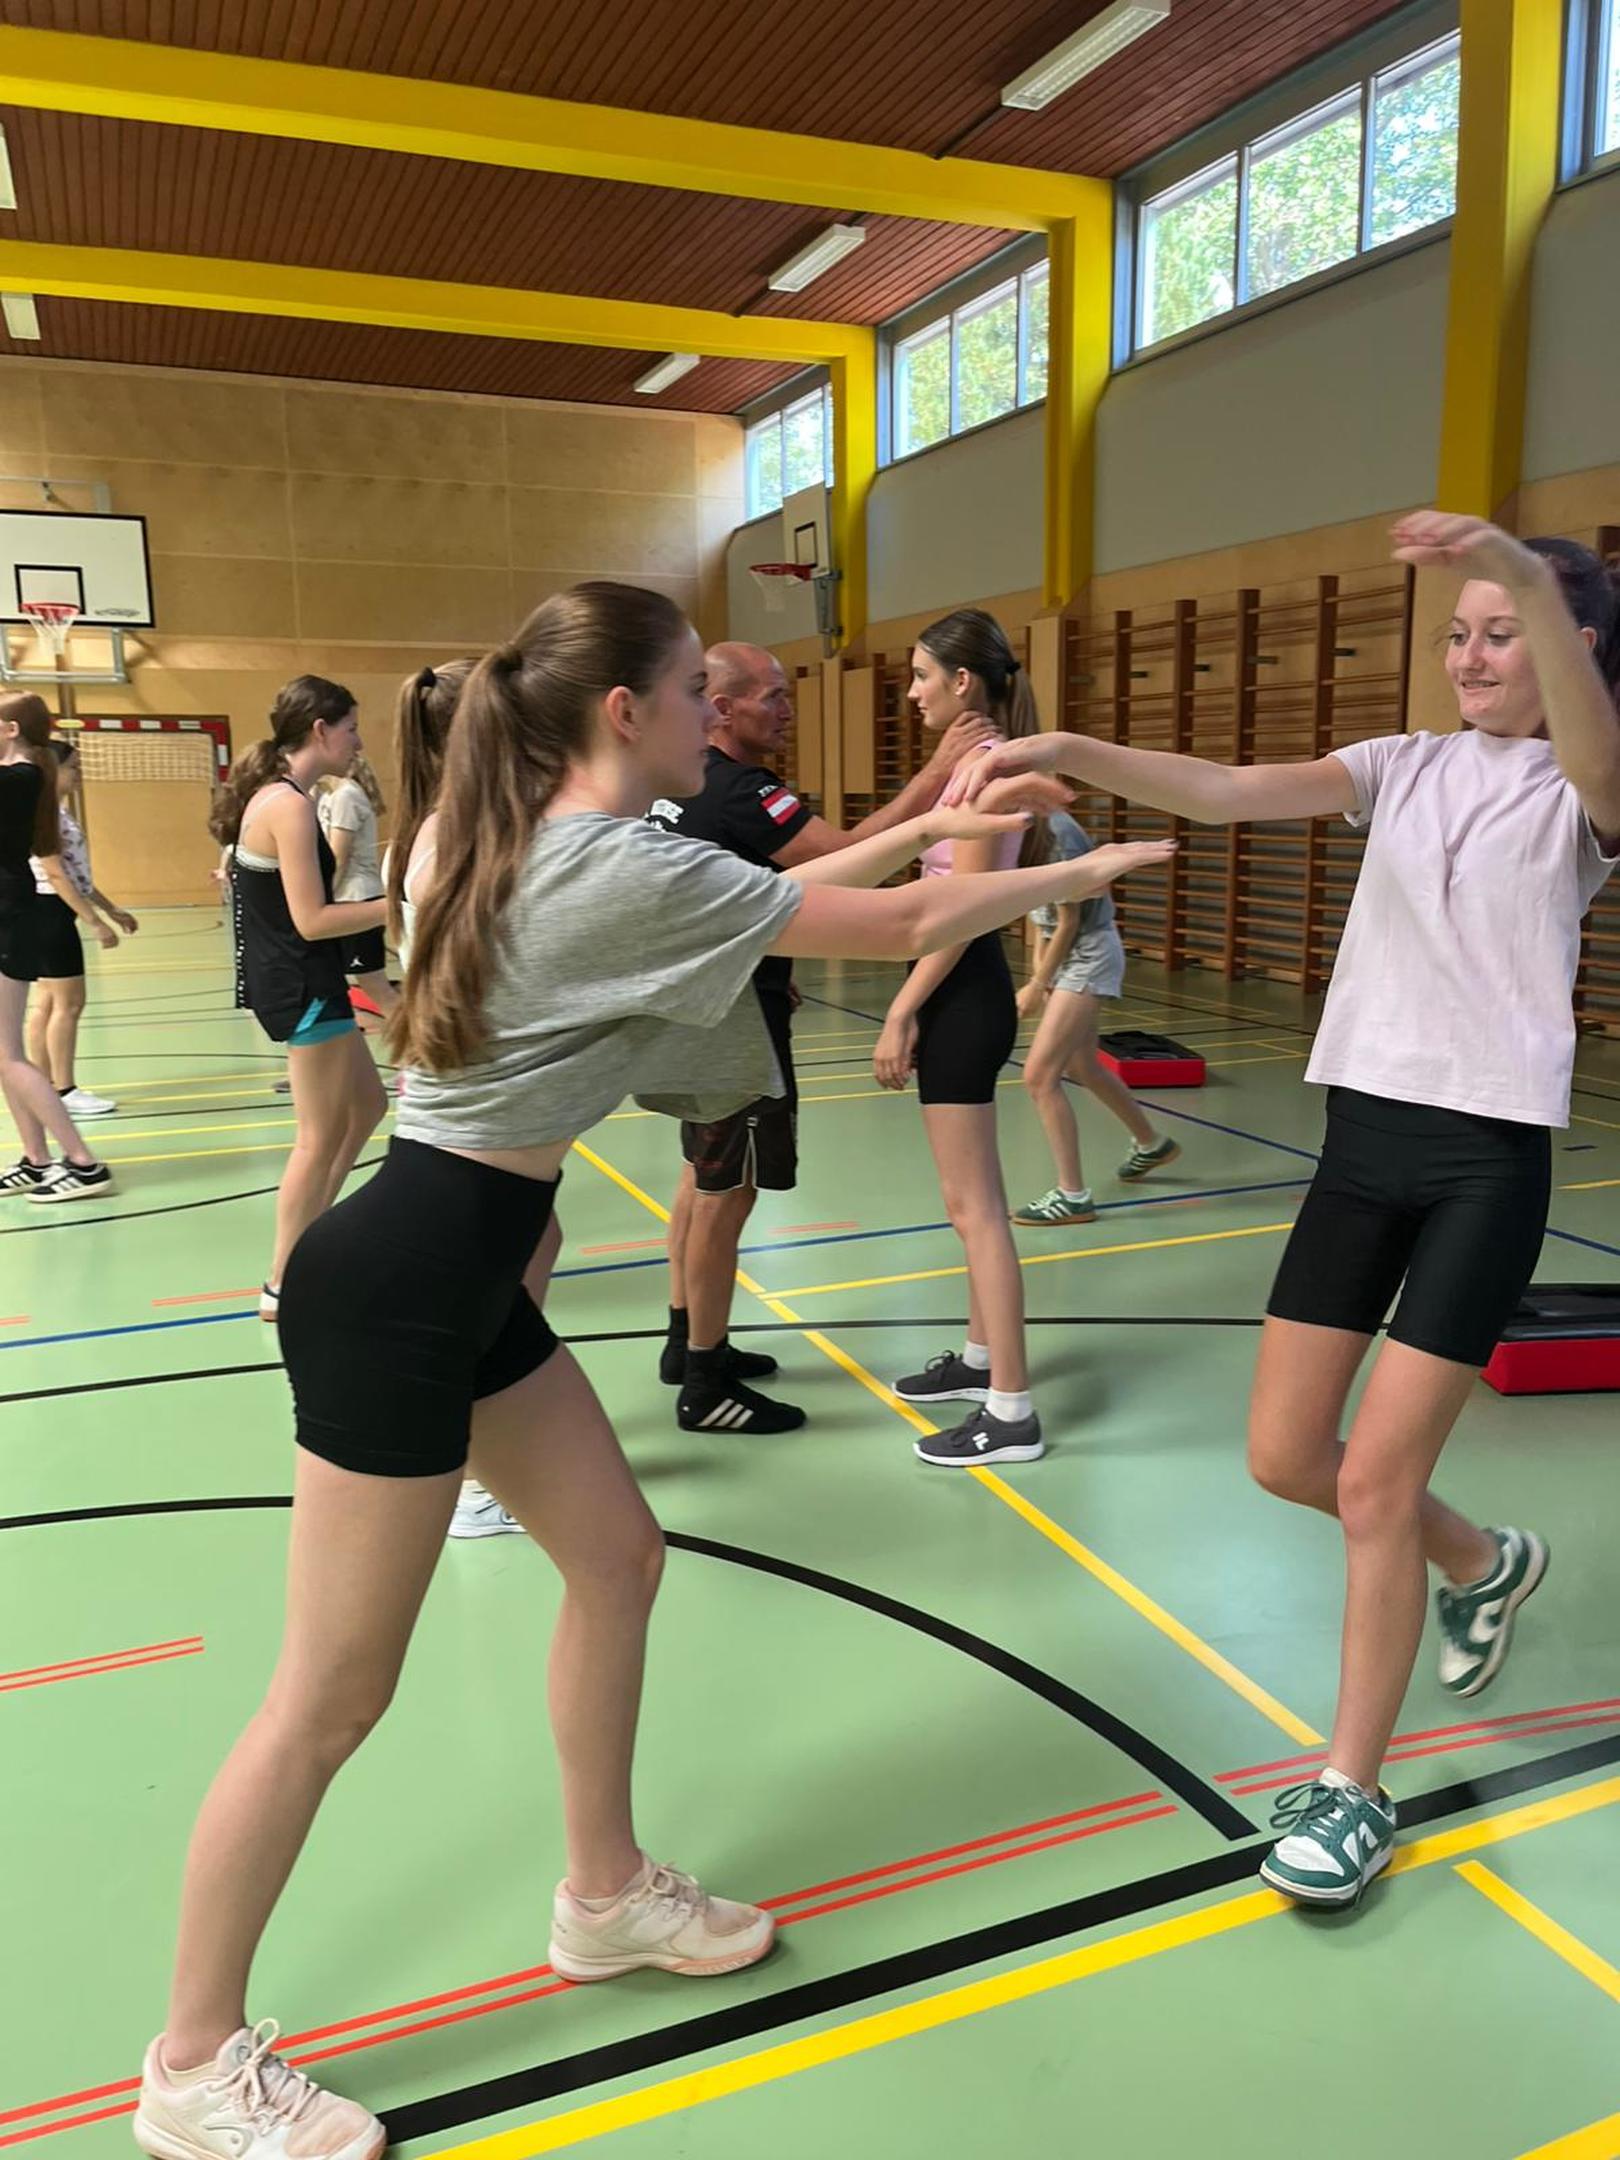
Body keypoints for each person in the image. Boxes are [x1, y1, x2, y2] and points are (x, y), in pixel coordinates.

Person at [131, 582, 1173, 2160]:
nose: (714, 713)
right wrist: (1080, 872)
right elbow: (893, 925)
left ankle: (605, 1895)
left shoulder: (502, 828)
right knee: (328, 1700)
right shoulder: (619, 864)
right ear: (624, 711)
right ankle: (192, 2062)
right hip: (402, 1295)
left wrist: (934, 824)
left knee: (617, 1559)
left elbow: (777, 886)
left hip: (456, 1270)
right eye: (696, 689)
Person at [948, 514, 1620, 1907]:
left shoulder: (1585, 789)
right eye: (1459, 633)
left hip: (1486, 1165)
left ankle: (1352, 1788)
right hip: (1362, 1146)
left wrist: (1511, 558)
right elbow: (1226, 786)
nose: (1470, 657)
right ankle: (1483, 1559)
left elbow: (1596, 747)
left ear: (1577, 647)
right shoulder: (1402, 765)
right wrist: (1066, 748)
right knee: (1282, 1456)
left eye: (1504, 632)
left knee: (1373, 1485)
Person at [648, 639, 995, 1437]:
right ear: (722, 708)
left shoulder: (682, 784)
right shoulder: (741, 789)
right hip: (728, 1025)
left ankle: (686, 1338)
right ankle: (704, 1381)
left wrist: (773, 966)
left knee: (700, 1177)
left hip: (702, 1005)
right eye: (771, 695)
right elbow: (850, 860)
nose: (786, 708)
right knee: (726, 1194)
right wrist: (935, 778)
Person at [874, 608, 1056, 1468]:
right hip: (957, 985)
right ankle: (981, 1360)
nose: (912, 693)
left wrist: (902, 1009)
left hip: (963, 985)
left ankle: (1011, 1411)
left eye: (920, 677)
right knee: (971, 1202)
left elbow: (964, 914)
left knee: (975, 1210)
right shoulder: (970, 768)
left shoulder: (991, 776)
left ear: (961, 681)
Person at [389, 657, 532, 1539]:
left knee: (530, 1253)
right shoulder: (453, 836)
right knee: (492, 1286)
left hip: (463, 1089)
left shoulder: (449, 825)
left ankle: (495, 1459)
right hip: (462, 1099)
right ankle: (477, 1480)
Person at [209, 677, 389, 1322]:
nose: (358, 742)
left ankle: (314, 1240)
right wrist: (403, 906)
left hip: (310, 980)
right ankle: (283, 1281)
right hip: (301, 985)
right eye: (351, 729)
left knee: (369, 1106)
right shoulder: (287, 806)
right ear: (320, 729)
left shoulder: (285, 798)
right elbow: (312, 921)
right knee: (317, 1139)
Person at [1011, 806, 1180, 1225]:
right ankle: (1152, 1144)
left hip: (1089, 954)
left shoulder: (1058, 834)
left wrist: (1037, 984)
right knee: (1083, 1066)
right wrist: (1041, 977)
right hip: (1065, 957)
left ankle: (1073, 1195)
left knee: (1039, 1076)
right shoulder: (1020, 831)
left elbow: (1068, 922)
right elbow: (1042, 920)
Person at [0, 694, 115, 1200]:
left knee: (8, 1056)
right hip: (11, 915)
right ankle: (37, 1159)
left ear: (11, 730)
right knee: (4, 1055)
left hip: (10, 920)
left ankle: (84, 1164)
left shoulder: (21, 778)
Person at [26, 737, 139, 1118]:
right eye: (72, 767)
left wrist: (111, 909)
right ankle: (64, 1089)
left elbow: (77, 875)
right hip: (49, 913)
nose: (79, 774)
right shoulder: (44, 815)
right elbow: (57, 874)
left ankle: (43, 1086)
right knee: (69, 1004)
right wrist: (95, 923)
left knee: (46, 1003)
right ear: (50, 770)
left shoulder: (55, 812)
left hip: (44, 913)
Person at [316, 753, 395, 1020]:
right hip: (344, 896)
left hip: (356, 896)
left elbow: (340, 855)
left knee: (374, 984)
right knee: (336, 978)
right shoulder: (330, 797)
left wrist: (322, 897)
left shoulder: (346, 796)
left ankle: (417, 1039)